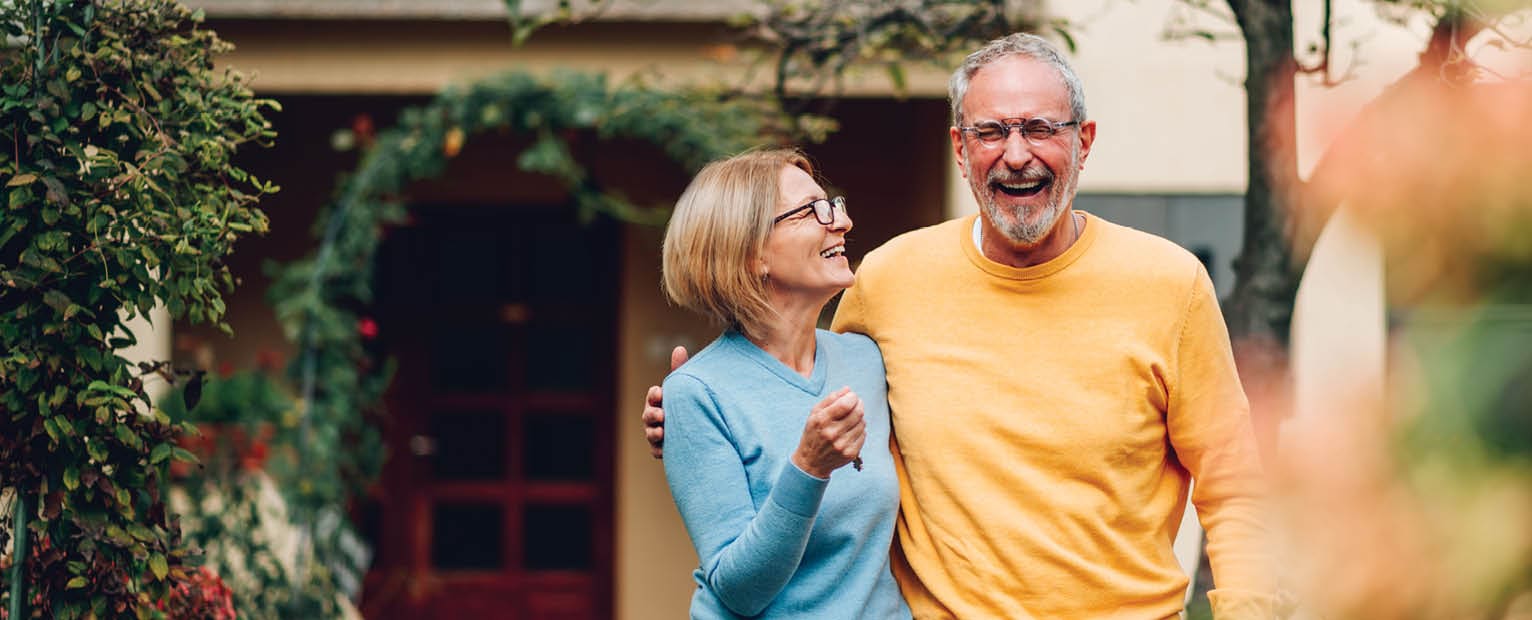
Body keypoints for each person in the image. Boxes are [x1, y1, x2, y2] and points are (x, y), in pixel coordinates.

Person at [644, 33, 1274, 619]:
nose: (1017, 153)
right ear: (961, 148)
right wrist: (699, 409)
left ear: (1083, 141)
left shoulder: (1170, 283)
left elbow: (1234, 487)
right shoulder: (888, 280)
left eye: (1040, 128)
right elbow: (790, 373)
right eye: (992, 131)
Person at [656, 148, 912, 619]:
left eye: (832, 204)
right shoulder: (697, 393)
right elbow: (740, 591)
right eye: (814, 210)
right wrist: (808, 467)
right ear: (752, 253)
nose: (843, 222)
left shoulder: (869, 360)